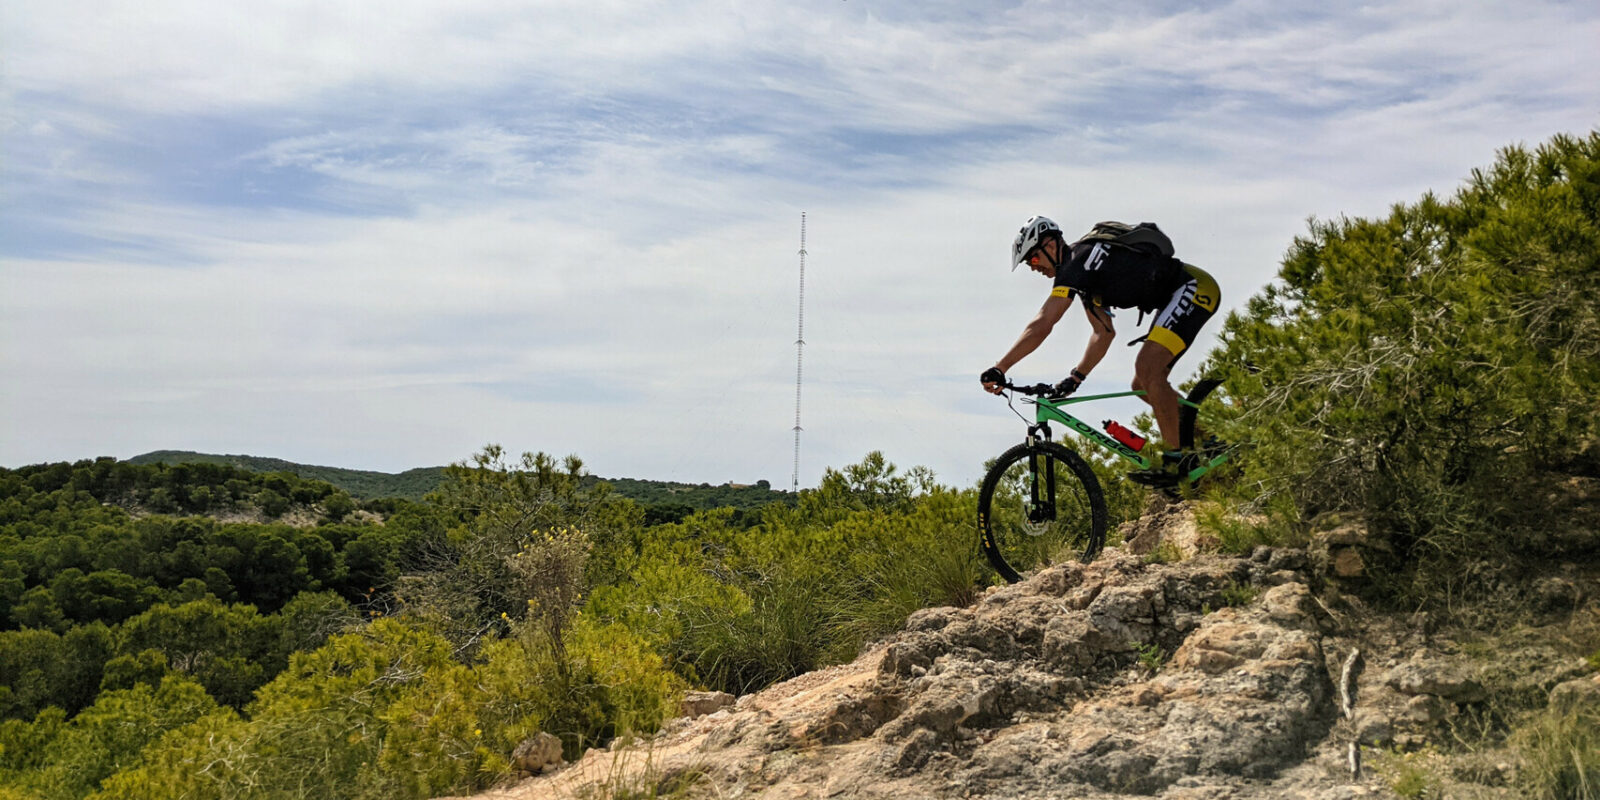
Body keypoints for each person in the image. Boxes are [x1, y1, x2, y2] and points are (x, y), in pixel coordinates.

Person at [980, 215, 1220, 482]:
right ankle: (1214, 437)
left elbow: (1044, 322)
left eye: (1033, 259)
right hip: (1178, 294)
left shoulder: (1078, 261)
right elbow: (1103, 333)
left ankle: (1177, 463)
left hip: (1193, 286)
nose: (1033, 268)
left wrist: (1001, 367)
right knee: (1141, 383)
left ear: (1049, 245)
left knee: (1148, 368)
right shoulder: (1083, 277)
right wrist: (1075, 378)